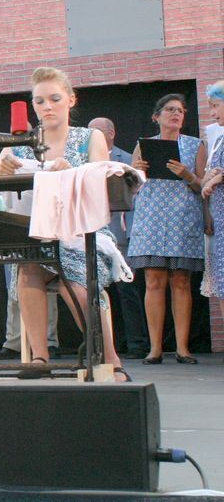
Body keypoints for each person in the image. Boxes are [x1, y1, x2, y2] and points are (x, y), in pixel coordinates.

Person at [0, 67, 126, 380]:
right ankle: (40, 356)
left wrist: (71, 174)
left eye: (54, 99)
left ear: (71, 100)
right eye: (39, 101)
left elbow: (101, 182)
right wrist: (1, 168)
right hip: (41, 235)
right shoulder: (22, 144)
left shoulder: (89, 138)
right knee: (28, 266)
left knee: (75, 283)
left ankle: (110, 358)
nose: (47, 107)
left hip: (83, 234)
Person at [128, 94, 205, 365]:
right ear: (156, 116)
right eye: (170, 110)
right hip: (151, 218)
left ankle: (182, 348)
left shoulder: (195, 145)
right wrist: (135, 171)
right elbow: (131, 187)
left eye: (180, 111)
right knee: (153, 281)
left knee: (181, 280)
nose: (176, 114)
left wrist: (188, 175)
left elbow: (203, 186)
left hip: (183, 218)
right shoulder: (143, 145)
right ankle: (155, 348)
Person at [89, 117, 148, 359]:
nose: (92, 136)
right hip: (92, 232)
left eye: (97, 131)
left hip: (120, 233)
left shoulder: (127, 159)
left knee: (127, 290)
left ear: (111, 133)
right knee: (97, 291)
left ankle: (136, 344)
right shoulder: (83, 160)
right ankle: (106, 345)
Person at [201, 81, 224, 328]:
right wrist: (210, 177)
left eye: (216, 106)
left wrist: (218, 178)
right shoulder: (219, 140)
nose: (212, 112)